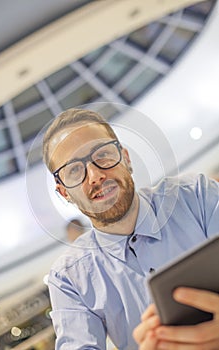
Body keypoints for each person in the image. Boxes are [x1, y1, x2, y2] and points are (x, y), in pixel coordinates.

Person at [43, 108, 219, 350]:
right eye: (74, 170)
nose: (94, 175)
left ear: (126, 158)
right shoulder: (68, 278)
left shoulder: (197, 197)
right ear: (64, 192)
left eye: (102, 155)